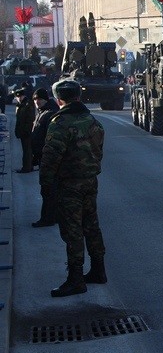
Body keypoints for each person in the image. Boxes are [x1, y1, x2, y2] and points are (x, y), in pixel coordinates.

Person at [40, 79, 107, 297]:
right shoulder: (92, 120)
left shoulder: (60, 123)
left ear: (59, 99)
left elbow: (50, 157)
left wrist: (46, 184)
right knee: (91, 226)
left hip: (69, 184)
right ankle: (98, 270)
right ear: (78, 97)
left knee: (72, 230)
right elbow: (98, 152)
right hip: (90, 181)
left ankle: (76, 279)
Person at [30, 88, 60, 227]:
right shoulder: (42, 113)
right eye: (35, 99)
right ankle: (52, 216)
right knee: (48, 189)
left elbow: (50, 139)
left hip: (48, 159)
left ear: (46, 99)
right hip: (42, 157)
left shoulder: (50, 114)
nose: (37, 102)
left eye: (40, 99)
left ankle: (48, 218)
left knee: (48, 189)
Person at [13, 88, 36, 173]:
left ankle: (27, 168)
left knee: (27, 150)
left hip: (27, 131)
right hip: (22, 130)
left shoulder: (27, 104)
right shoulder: (20, 105)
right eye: (17, 97)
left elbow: (30, 119)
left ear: (23, 96)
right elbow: (18, 120)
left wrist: (26, 130)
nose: (19, 98)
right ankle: (28, 166)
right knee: (26, 150)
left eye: (20, 96)